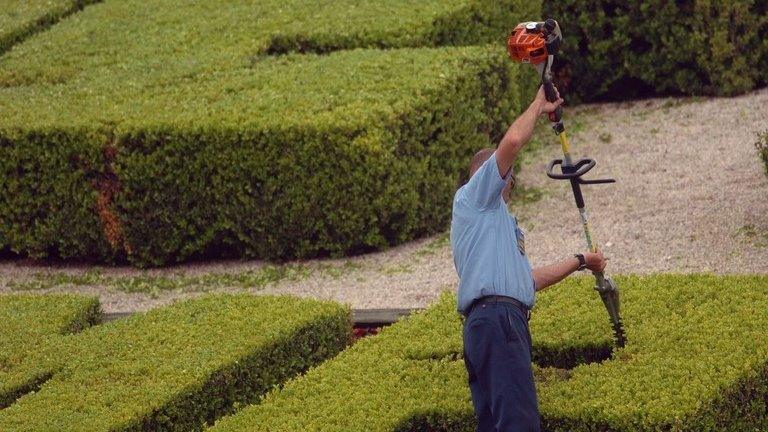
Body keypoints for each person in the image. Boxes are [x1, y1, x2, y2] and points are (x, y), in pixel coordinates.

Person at [450, 85, 607, 431]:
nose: (510, 178)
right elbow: (511, 144)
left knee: (496, 424)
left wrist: (581, 260)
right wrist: (538, 104)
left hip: (490, 322)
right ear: (486, 175)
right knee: (519, 424)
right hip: (498, 319)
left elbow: (528, 281)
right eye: (504, 174)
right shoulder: (474, 198)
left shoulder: (496, 223)